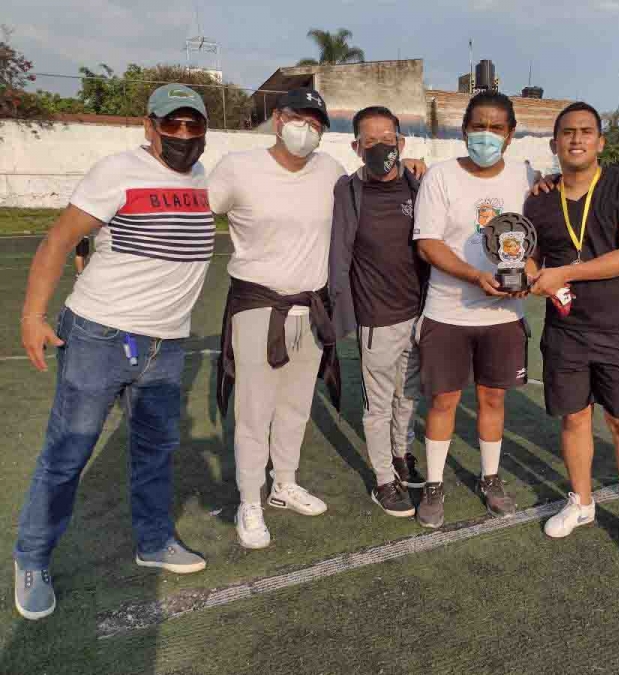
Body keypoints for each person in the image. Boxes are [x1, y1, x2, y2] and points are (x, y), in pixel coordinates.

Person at [14, 84, 213, 620]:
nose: (183, 135)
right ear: (149, 126)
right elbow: (59, 238)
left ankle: (153, 542)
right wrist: (32, 316)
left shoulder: (202, 179)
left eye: (193, 125)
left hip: (165, 344)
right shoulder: (116, 171)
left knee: (155, 452)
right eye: (172, 125)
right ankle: (31, 558)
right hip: (100, 337)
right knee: (68, 453)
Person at [209, 89, 345, 550]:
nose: (305, 129)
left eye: (316, 122)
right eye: (296, 117)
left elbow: (364, 200)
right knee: (254, 410)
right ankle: (250, 498)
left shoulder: (330, 171)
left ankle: (284, 483)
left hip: (312, 305)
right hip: (257, 306)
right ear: (277, 118)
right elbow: (196, 213)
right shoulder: (238, 167)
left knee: (296, 405)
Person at [525, 102, 619, 568]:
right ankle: (581, 502)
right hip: (565, 331)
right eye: (567, 133)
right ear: (554, 143)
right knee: (574, 419)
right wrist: (532, 273)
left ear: (601, 142)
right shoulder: (539, 197)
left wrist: (563, 272)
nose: (576, 139)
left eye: (586, 132)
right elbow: (529, 251)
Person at [413, 91, 536, 529]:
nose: (486, 135)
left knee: (492, 397)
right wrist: (472, 276)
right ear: (464, 129)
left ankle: (489, 478)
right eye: (478, 126)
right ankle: (433, 484)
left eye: (496, 128)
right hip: (448, 311)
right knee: (443, 400)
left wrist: (529, 276)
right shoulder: (442, 176)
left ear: (511, 134)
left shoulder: (527, 176)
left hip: (503, 316)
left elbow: (536, 241)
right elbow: (427, 243)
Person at [329, 106, 428, 518]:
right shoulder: (347, 191)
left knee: (409, 395)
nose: (380, 147)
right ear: (356, 147)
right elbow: (339, 254)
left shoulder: (419, 185)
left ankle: (401, 454)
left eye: (388, 139)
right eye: (370, 142)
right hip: (376, 318)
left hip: (418, 314)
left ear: (401, 143)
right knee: (378, 404)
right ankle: (384, 479)